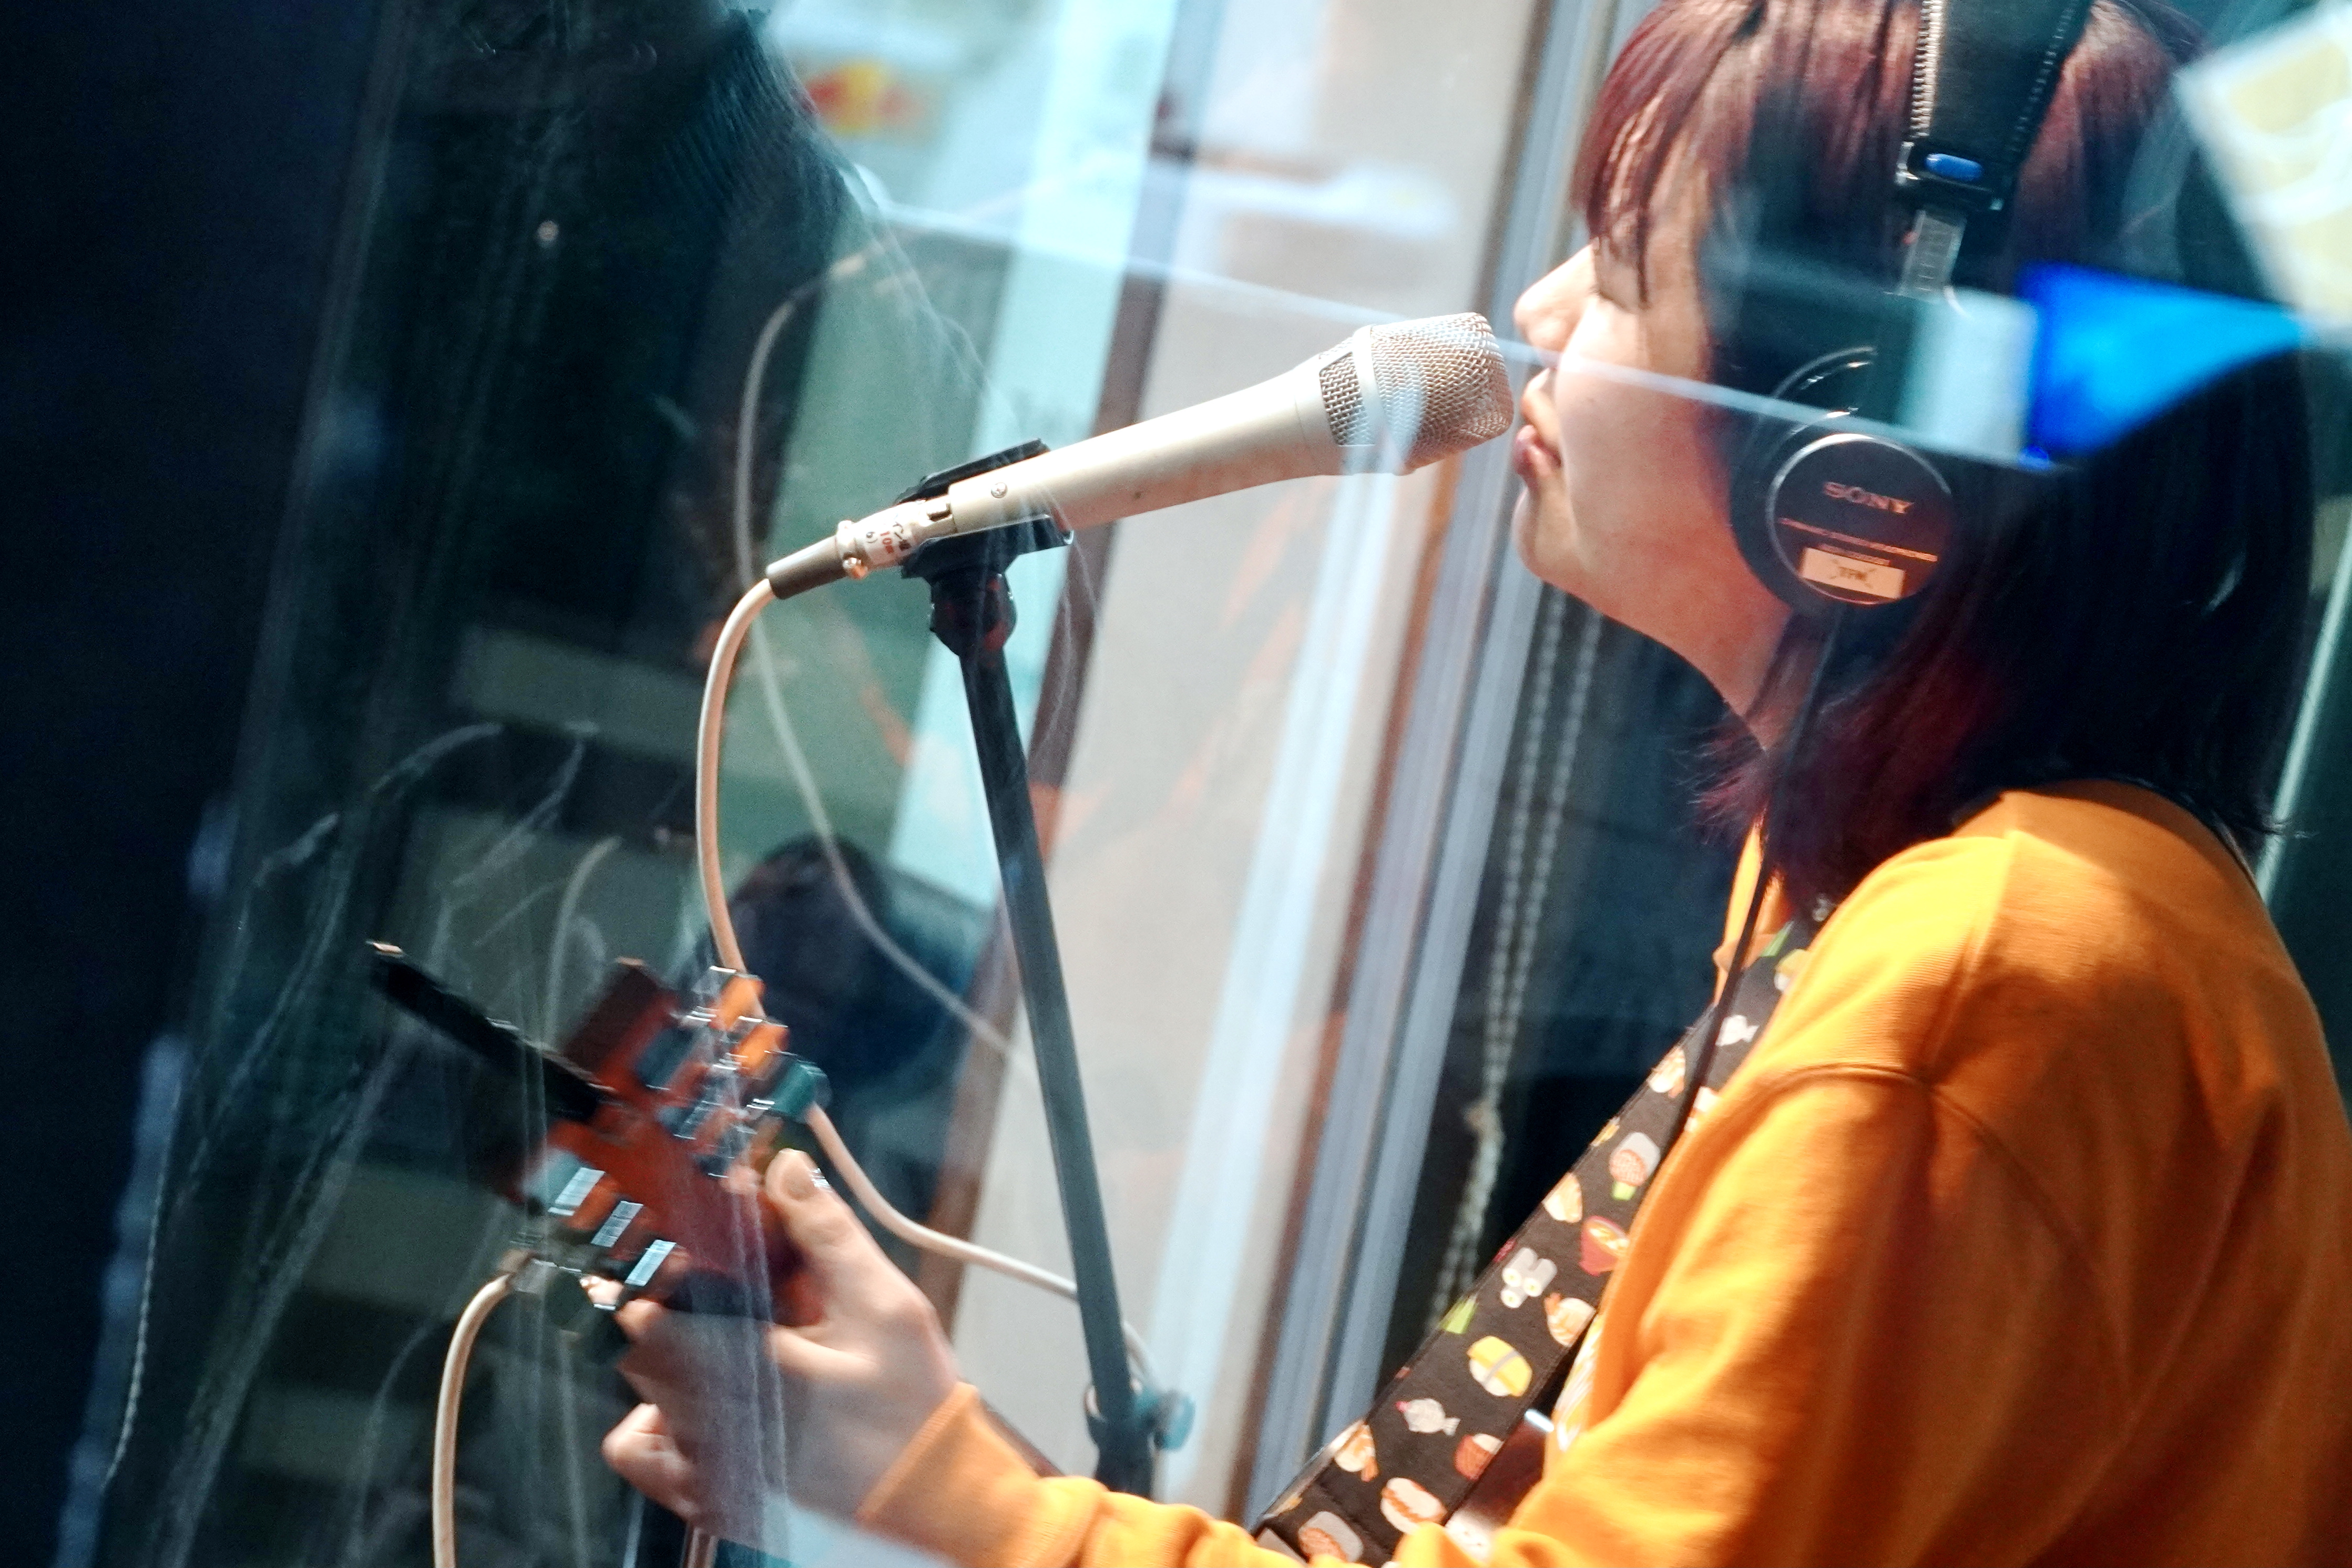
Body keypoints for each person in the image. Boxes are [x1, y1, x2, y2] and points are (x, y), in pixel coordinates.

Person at [602, 0, 2352, 1560]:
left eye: (1620, 265)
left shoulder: (1982, 979)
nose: (1534, 312)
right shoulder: (1958, 908)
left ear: (1855, 454)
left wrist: (944, 1494)